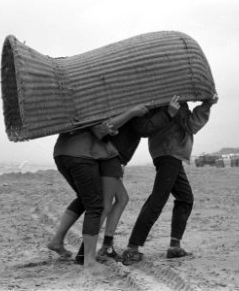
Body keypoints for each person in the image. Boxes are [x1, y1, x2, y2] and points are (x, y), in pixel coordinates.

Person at [73, 96, 182, 264]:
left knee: (122, 199)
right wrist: (168, 114)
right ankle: (84, 254)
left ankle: (106, 246)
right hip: (111, 157)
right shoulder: (133, 104)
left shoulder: (127, 104)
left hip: (114, 157)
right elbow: (144, 129)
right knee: (106, 204)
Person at [47, 103, 149, 269]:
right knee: (97, 205)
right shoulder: (93, 103)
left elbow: (100, 128)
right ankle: (87, 259)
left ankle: (58, 241)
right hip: (84, 155)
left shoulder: (75, 106)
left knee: (86, 198)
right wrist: (132, 112)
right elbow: (100, 129)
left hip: (62, 153)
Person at [121, 94, 218, 265]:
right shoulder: (175, 100)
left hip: (166, 152)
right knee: (158, 199)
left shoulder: (156, 99)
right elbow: (192, 124)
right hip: (170, 152)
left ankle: (174, 246)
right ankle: (132, 248)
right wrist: (206, 105)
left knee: (185, 197)